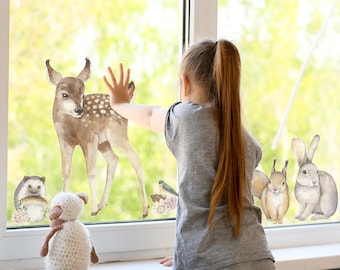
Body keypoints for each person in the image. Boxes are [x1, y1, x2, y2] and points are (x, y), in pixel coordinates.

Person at [103, 39, 275, 270]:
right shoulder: (242, 136)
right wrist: (191, 252)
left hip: (210, 262)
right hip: (257, 255)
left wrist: (119, 104)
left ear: (184, 84)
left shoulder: (188, 117)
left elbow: (151, 115)